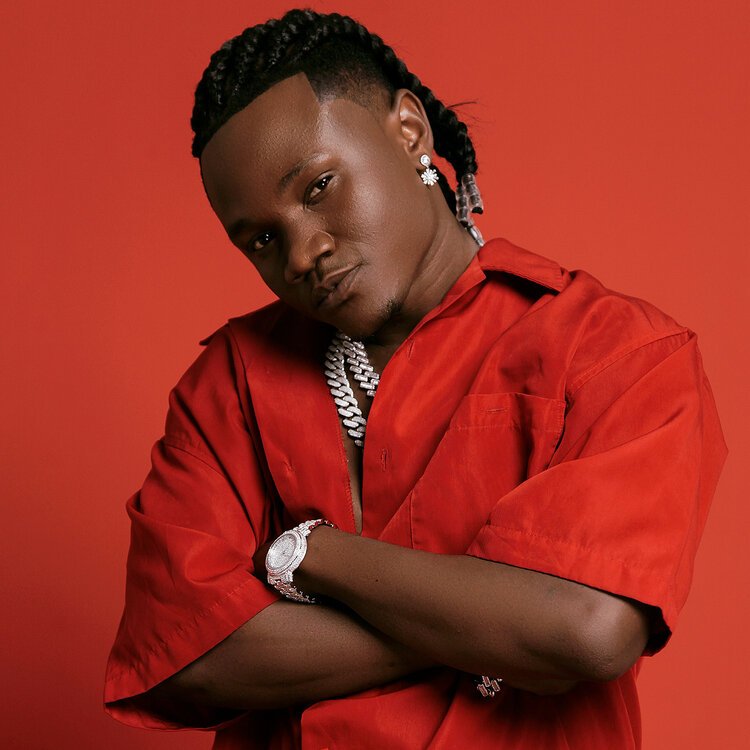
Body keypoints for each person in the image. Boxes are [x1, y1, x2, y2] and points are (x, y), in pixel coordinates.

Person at [104, 8, 727, 749]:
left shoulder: (614, 351)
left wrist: (310, 555)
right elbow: (188, 660)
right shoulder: (229, 384)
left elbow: (590, 628)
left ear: (408, 130)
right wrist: (499, 627)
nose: (301, 255)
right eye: (263, 238)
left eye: (318, 187)